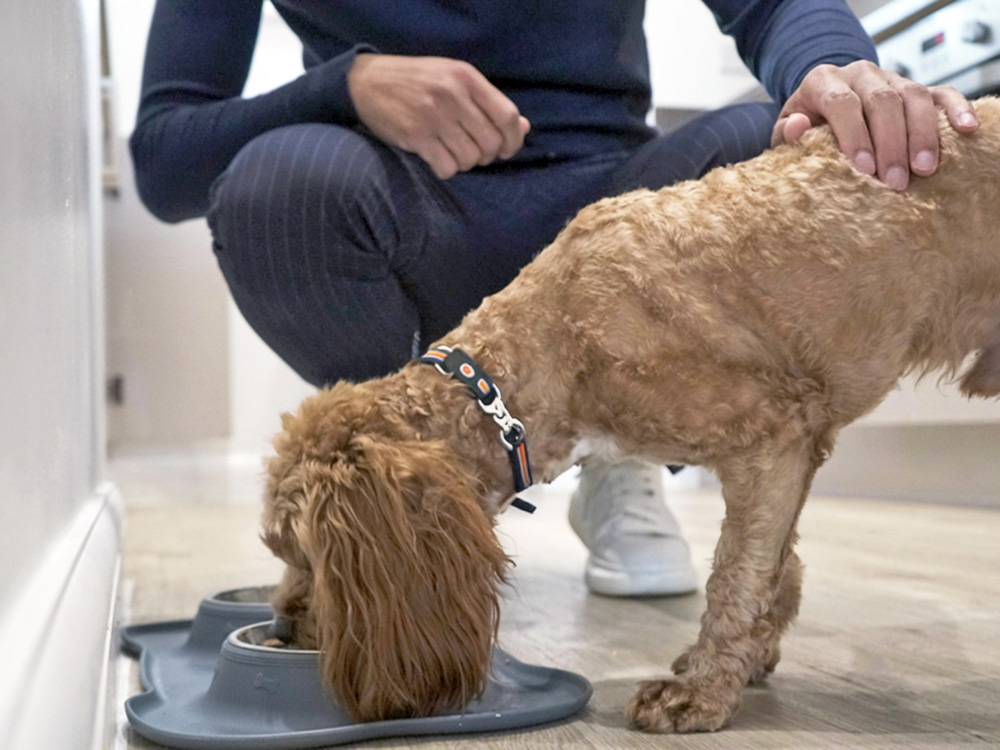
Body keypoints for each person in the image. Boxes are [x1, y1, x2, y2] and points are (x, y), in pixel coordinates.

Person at [131, 0, 977, 597]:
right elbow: (166, 159)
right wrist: (346, 87)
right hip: (407, 218)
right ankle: (414, 493)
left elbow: (772, 5)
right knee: (276, 186)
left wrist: (838, 70)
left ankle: (625, 455)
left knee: (768, 143)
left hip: (614, 220)